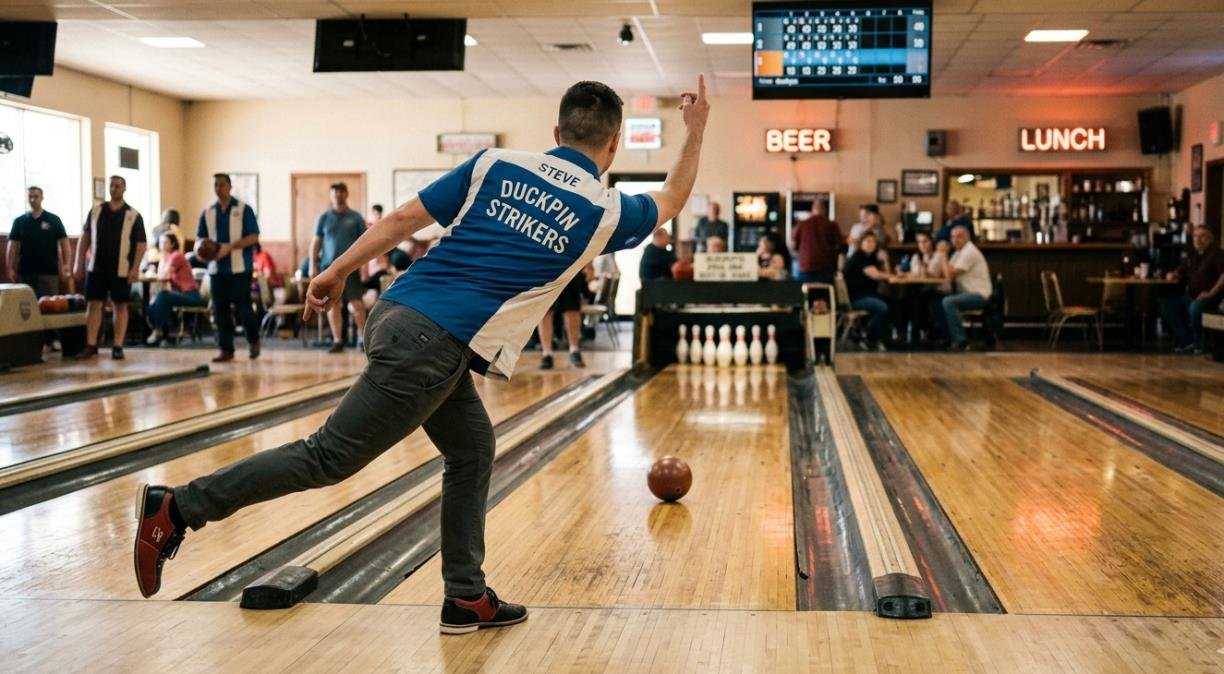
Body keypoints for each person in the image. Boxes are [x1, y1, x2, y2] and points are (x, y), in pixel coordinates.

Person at [134, 77, 710, 634]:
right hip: (431, 345)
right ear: (613, 145)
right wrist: (695, 128)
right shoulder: (604, 209)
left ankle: (465, 597)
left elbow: (406, 218)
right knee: (328, 457)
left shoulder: (495, 164)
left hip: (401, 312)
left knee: (472, 448)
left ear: (556, 129)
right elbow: (673, 196)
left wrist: (337, 270)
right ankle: (180, 507)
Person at [73, 176, 146, 360]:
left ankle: (118, 345)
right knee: (93, 304)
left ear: (124, 188)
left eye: (118, 186)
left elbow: (141, 244)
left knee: (120, 305)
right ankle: (91, 344)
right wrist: (78, 263)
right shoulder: (96, 210)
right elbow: (85, 238)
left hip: (121, 268)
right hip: (96, 267)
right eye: (111, 186)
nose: (114, 189)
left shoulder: (133, 215)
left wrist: (135, 268)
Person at [198, 173, 262, 362]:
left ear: (230, 186)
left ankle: (253, 340)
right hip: (217, 269)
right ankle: (226, 349)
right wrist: (202, 251)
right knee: (220, 310)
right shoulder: (208, 212)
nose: (218, 188)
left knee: (243, 308)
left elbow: (254, 237)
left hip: (240, 268)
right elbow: (200, 239)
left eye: (222, 184)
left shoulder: (243, 209)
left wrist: (230, 247)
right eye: (215, 185)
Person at [7, 186, 70, 351]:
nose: (33, 199)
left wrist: (65, 266)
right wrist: (10, 268)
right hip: (26, 271)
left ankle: (53, 339)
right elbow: (12, 246)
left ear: (42, 198)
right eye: (30, 197)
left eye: (36, 196)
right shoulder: (20, 221)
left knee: (50, 305)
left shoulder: (53, 220)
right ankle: (32, 341)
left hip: (49, 272)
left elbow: (65, 244)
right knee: (27, 308)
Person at [311, 182, 370, 353]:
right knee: (332, 304)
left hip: (351, 267)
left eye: (341, 192)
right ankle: (338, 341)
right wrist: (313, 265)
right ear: (331, 195)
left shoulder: (356, 217)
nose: (338, 195)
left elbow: (366, 243)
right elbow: (316, 242)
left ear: (346, 194)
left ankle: (363, 339)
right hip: (328, 268)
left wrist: (364, 267)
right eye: (335, 192)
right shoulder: (323, 217)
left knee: (356, 304)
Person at [1161, 225, 1224, 354]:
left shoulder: (1217, 254)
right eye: (1195, 236)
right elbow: (1180, 270)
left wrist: (1211, 293)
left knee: (1195, 307)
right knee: (1167, 304)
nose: (1198, 239)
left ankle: (1199, 344)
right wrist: (1173, 274)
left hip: (1209, 298)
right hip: (1190, 296)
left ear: (1211, 239)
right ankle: (1187, 339)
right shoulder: (1193, 255)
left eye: (1202, 236)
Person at [934, 225, 992, 351]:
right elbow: (943, 272)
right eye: (953, 237)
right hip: (967, 294)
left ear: (968, 238)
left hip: (979, 296)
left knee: (948, 301)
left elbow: (949, 275)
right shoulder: (958, 252)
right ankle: (947, 338)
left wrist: (943, 255)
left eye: (959, 237)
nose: (955, 240)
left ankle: (961, 342)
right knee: (934, 300)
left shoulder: (969, 251)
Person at [146, 233, 204, 345]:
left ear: (173, 244)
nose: (162, 245)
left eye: (165, 242)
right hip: (181, 294)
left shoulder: (176, 256)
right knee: (153, 302)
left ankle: (157, 331)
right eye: (161, 242)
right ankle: (160, 332)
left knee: (163, 296)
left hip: (191, 295)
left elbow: (164, 276)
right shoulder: (166, 257)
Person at [842, 231, 891, 350]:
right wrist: (893, 277)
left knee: (892, 302)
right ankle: (870, 338)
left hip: (865, 295)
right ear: (861, 243)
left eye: (874, 241)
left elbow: (883, 272)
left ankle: (877, 337)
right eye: (868, 241)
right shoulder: (859, 256)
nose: (871, 244)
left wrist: (885, 260)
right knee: (883, 306)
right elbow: (875, 275)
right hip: (855, 299)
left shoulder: (870, 258)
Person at [790, 198, 841, 284]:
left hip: (806, 266)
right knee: (825, 294)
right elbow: (839, 245)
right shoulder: (832, 225)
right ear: (824, 211)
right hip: (826, 267)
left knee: (805, 294)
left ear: (812, 210)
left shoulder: (802, 224)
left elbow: (793, 245)